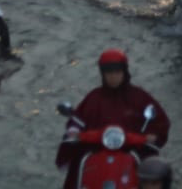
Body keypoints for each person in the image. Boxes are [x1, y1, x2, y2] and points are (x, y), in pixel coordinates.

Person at [56, 49, 171, 189]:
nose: (113, 77)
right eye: (109, 73)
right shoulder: (94, 98)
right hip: (96, 153)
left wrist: (151, 136)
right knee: (76, 171)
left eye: (117, 72)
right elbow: (78, 119)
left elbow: (159, 121)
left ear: (124, 72)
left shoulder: (139, 97)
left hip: (132, 151)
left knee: (152, 174)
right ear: (103, 74)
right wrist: (74, 131)